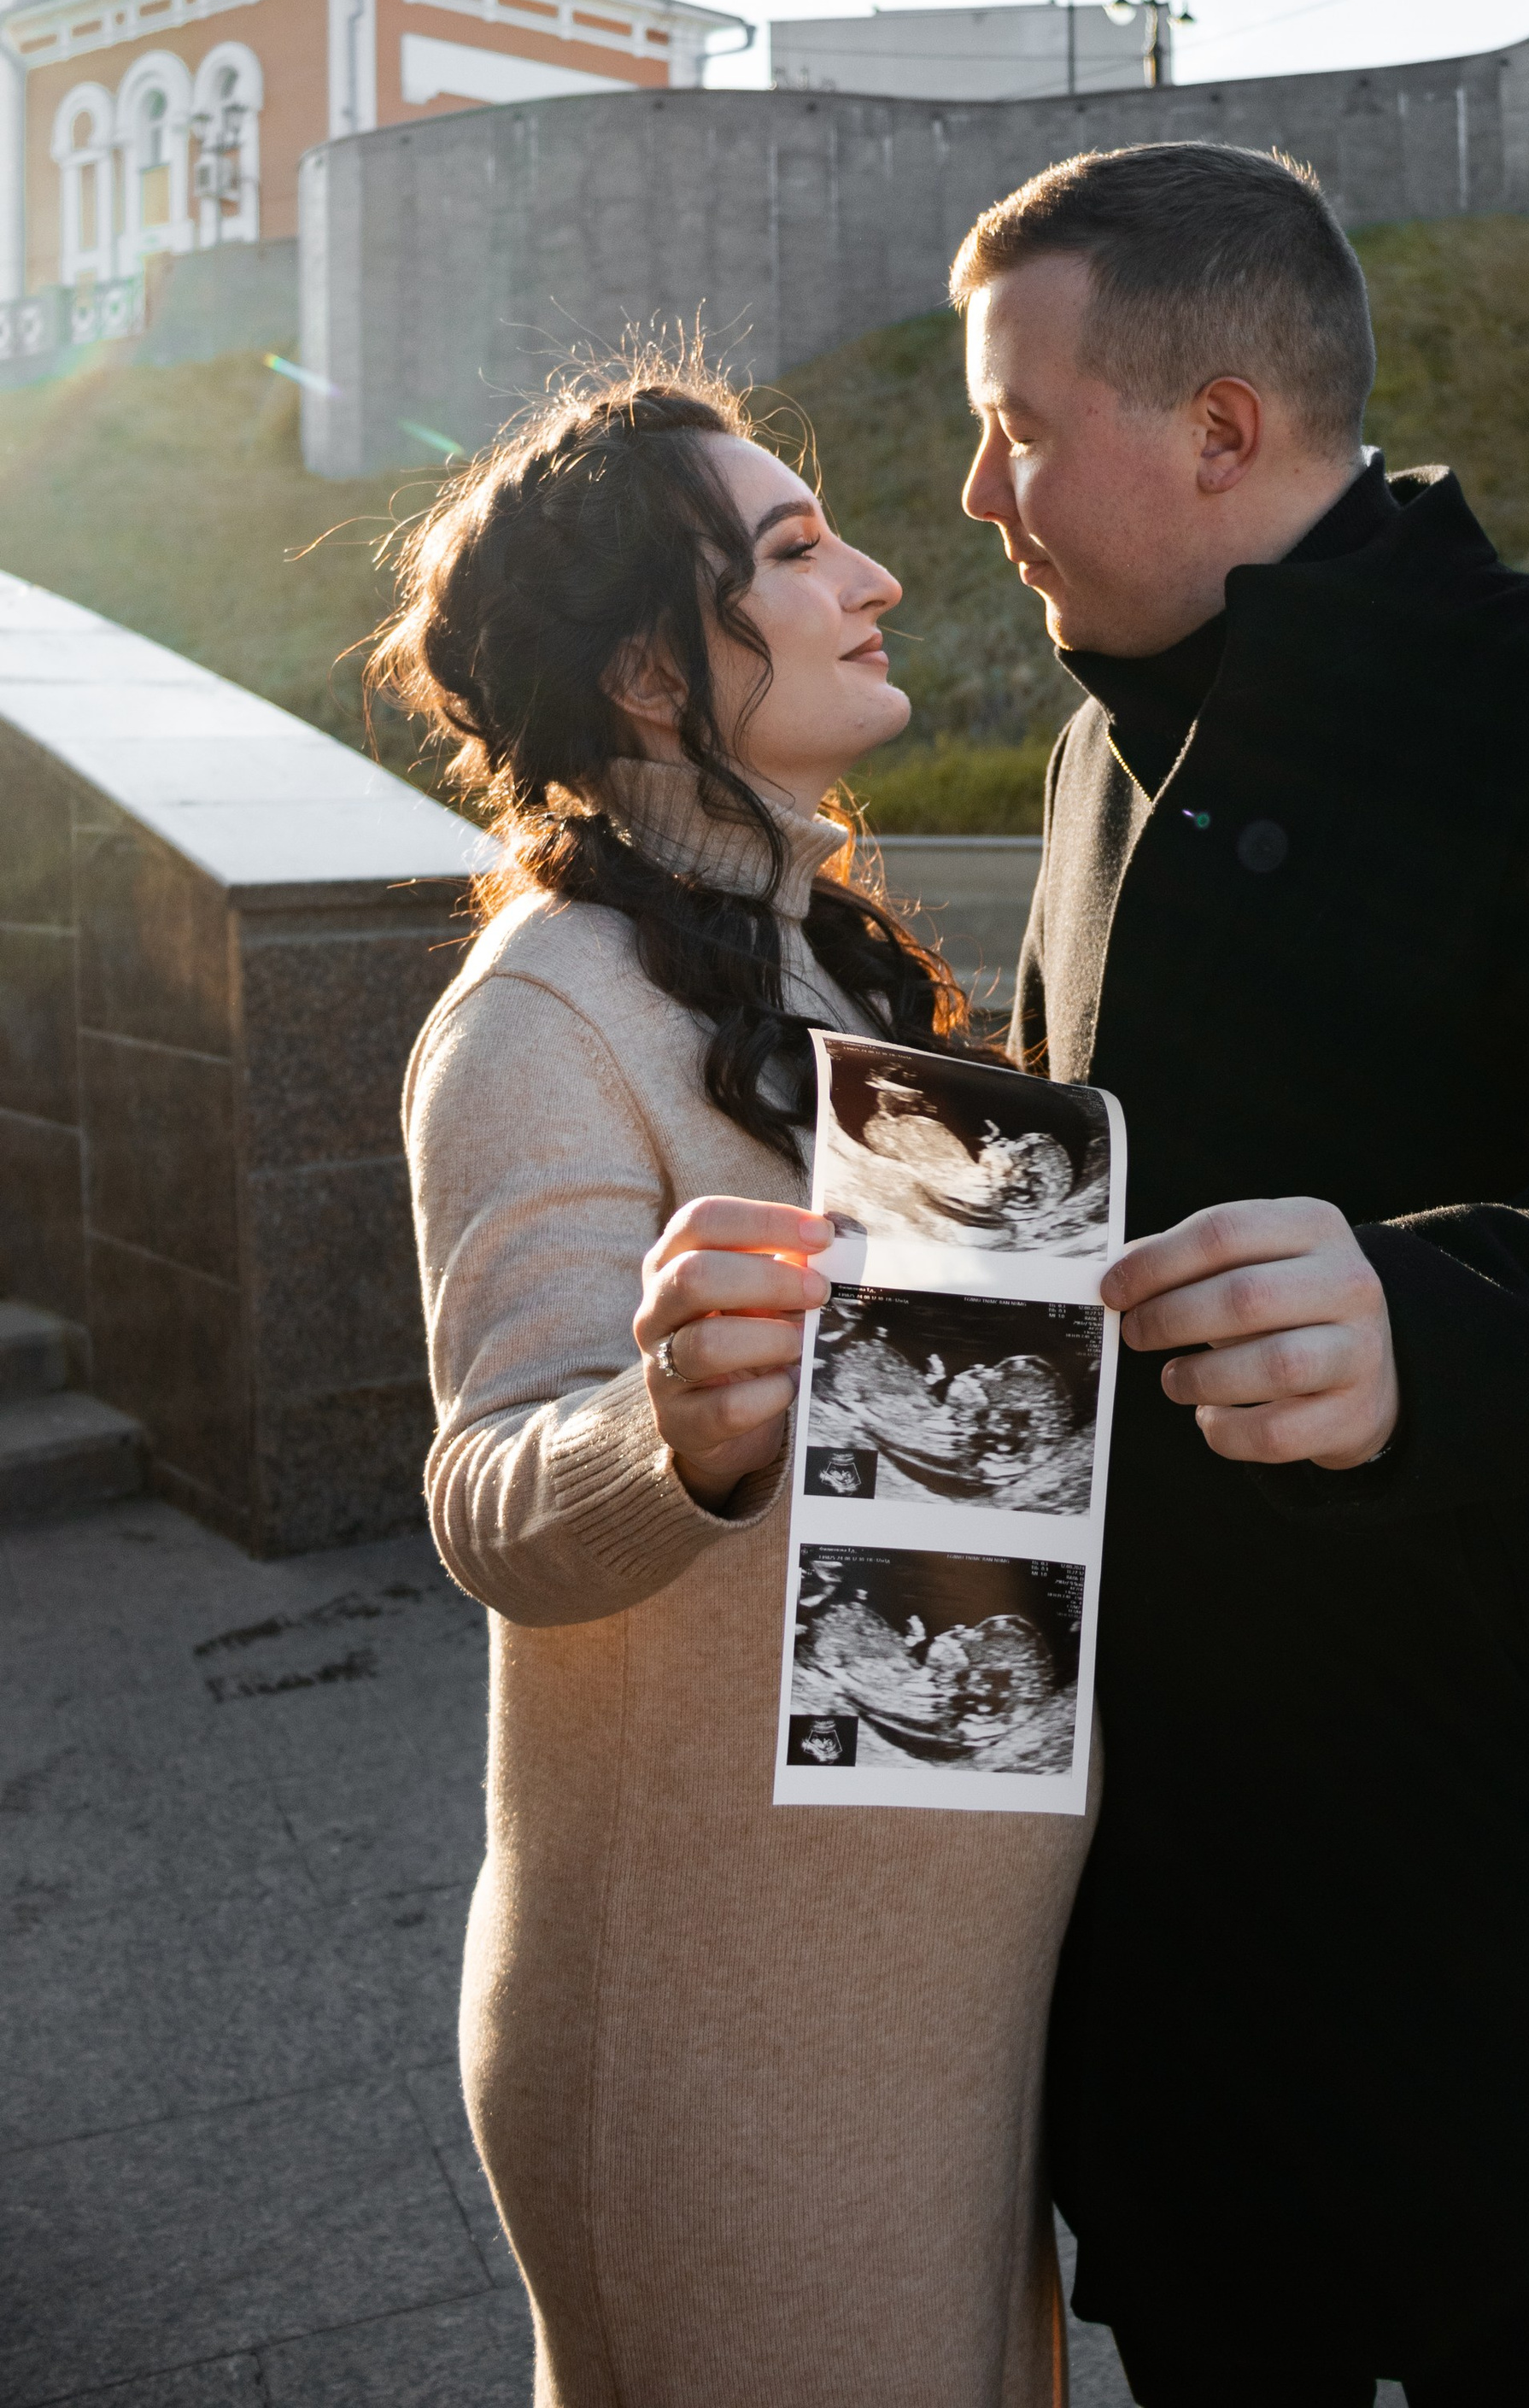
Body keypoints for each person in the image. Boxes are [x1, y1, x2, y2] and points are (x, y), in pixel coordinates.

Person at [951, 145, 1529, 2407]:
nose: (976, 488)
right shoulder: (1086, 745)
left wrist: (1420, 1325)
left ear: (1221, 431)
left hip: (1491, 1918)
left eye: (1020, 423)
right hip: (1176, 1931)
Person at [376, 361, 1088, 2408]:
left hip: (939, 1984)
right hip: (726, 2029)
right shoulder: (536, 1013)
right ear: (653, 677)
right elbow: (489, 1493)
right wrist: (664, 1429)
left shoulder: (831, 965)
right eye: (791, 552)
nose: (872, 576)